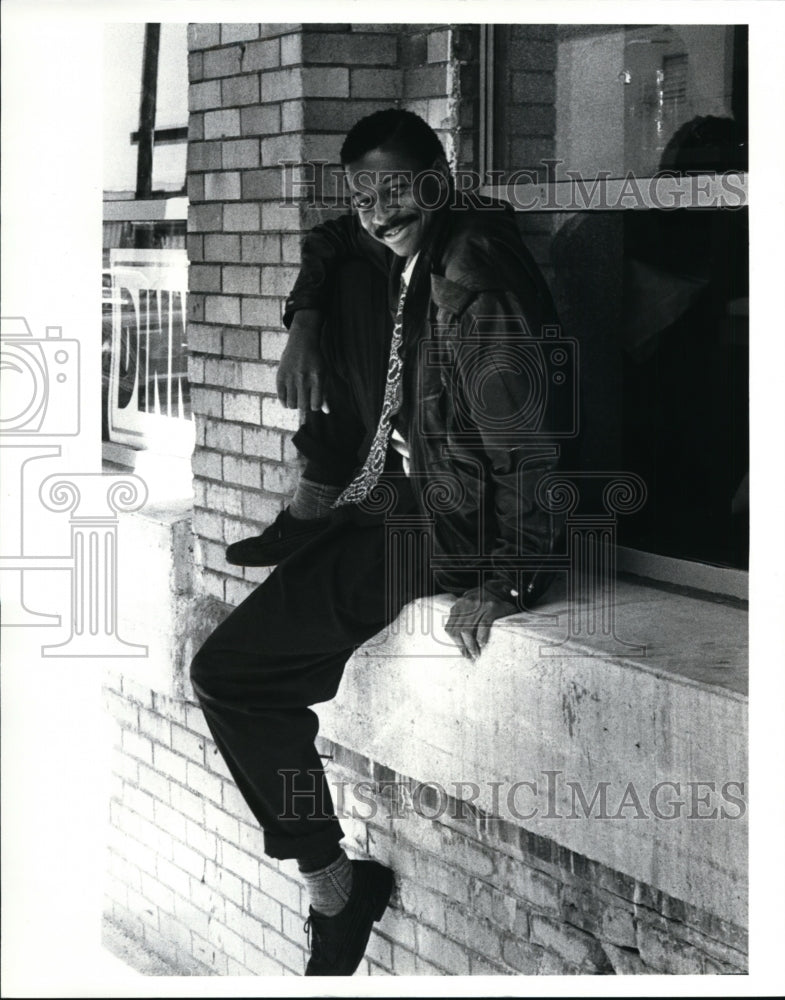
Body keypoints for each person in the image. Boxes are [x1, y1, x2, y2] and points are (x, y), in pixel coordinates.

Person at [190, 109, 566, 976]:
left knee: (232, 673)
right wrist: (304, 318)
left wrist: (508, 578)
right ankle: (333, 880)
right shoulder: (410, 241)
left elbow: (528, 442)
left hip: (444, 524)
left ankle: (335, 890)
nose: (376, 209)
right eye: (362, 193)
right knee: (232, 671)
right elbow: (331, 239)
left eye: (395, 189)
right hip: (401, 501)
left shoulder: (473, 274)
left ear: (439, 178)